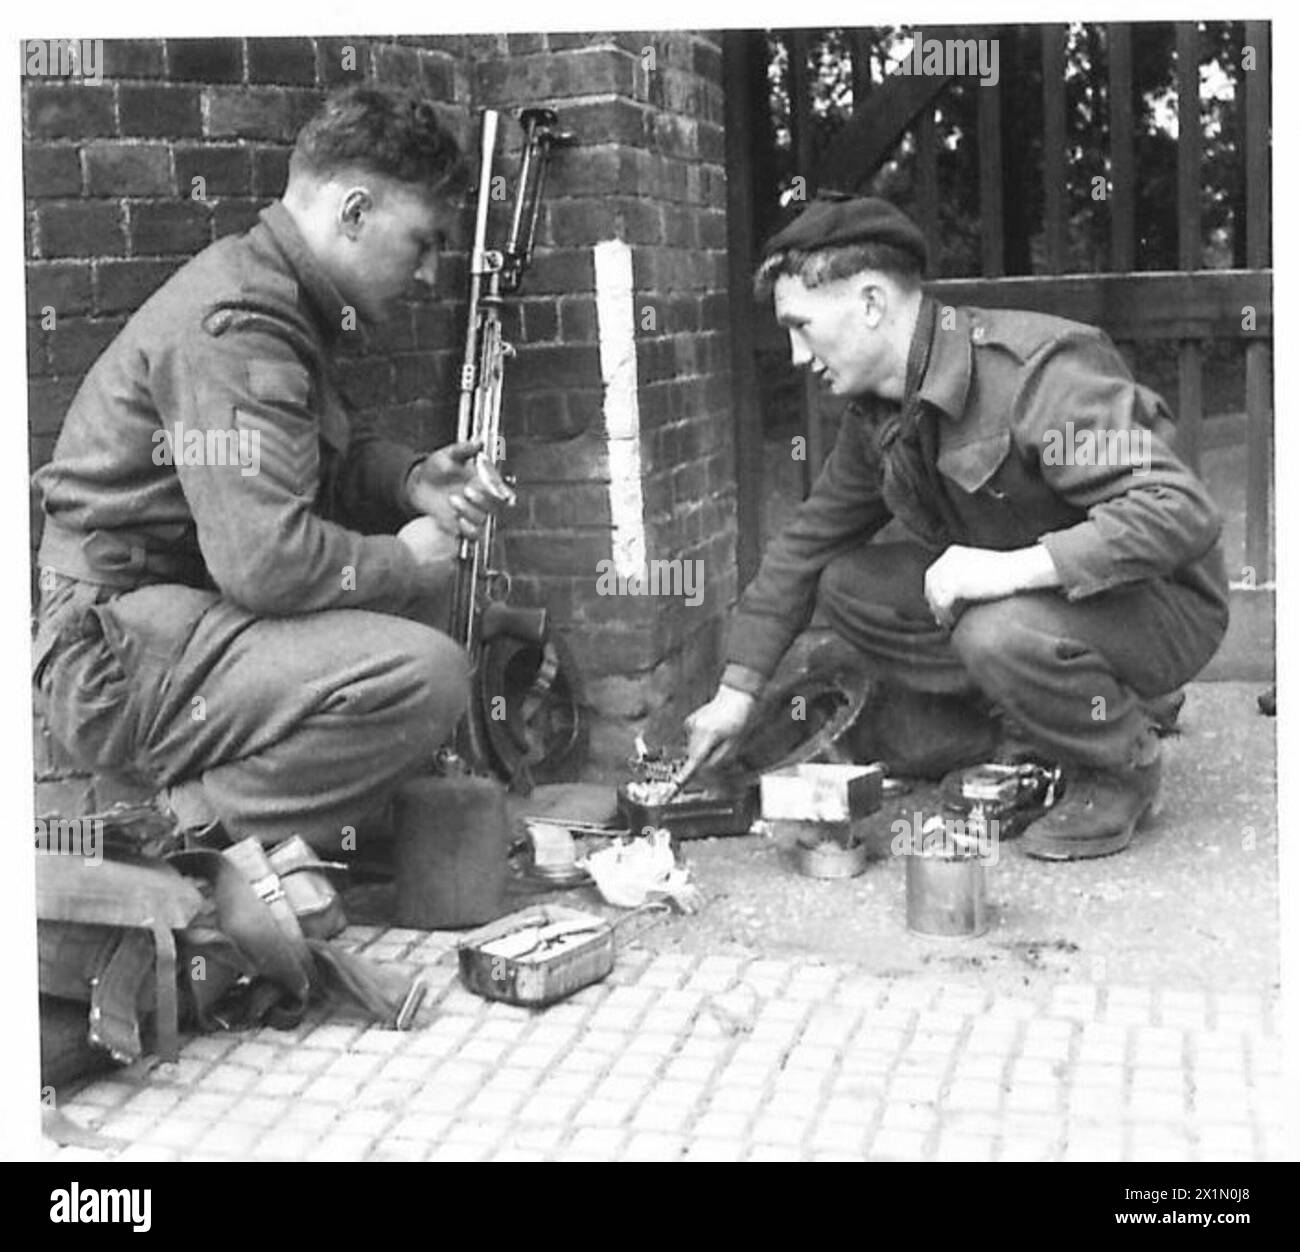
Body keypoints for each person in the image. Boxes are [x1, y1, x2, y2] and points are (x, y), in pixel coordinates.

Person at [31, 85, 508, 852]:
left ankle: (293, 823)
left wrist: (407, 480)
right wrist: (403, 559)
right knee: (425, 671)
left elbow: (296, 458)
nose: (428, 275)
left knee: (413, 615)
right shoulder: (240, 328)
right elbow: (265, 564)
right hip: (110, 658)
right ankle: (172, 837)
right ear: (354, 212)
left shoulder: (277, 294)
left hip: (162, 622)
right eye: (423, 242)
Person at [684, 193, 1229, 860]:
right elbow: (807, 544)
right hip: (1055, 606)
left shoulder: (1033, 375)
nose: (798, 355)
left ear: (872, 303)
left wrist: (1001, 571)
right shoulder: (880, 414)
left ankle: (1120, 766)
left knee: (992, 627)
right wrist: (736, 692)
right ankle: (1031, 724)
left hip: (1160, 604)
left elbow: (1179, 511)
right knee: (847, 581)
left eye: (802, 326)